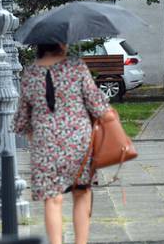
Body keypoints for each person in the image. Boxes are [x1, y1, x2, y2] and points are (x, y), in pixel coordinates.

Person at [12, 43, 109, 244]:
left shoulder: (30, 73)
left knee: (53, 199)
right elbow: (97, 106)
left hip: (45, 144)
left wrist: (33, 133)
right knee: (82, 193)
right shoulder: (77, 67)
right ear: (61, 44)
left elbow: (21, 120)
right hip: (78, 143)